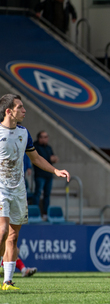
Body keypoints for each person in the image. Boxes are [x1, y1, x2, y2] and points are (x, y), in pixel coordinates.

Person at [0, 94, 70, 290]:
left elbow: (36, 158)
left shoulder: (24, 133)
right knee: (2, 232)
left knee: (13, 236)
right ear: (8, 111)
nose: (24, 110)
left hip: (19, 190)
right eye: (20, 107)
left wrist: (56, 170)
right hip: (1, 189)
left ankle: (7, 281)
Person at [32, 131, 58, 215]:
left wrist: (53, 159)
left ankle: (45, 213)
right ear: (39, 138)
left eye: (46, 137)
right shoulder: (35, 146)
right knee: (38, 193)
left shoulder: (49, 147)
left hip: (48, 175)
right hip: (40, 174)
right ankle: (34, 212)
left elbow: (52, 158)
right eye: (43, 137)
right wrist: (50, 159)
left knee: (47, 194)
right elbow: (40, 159)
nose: (45, 139)